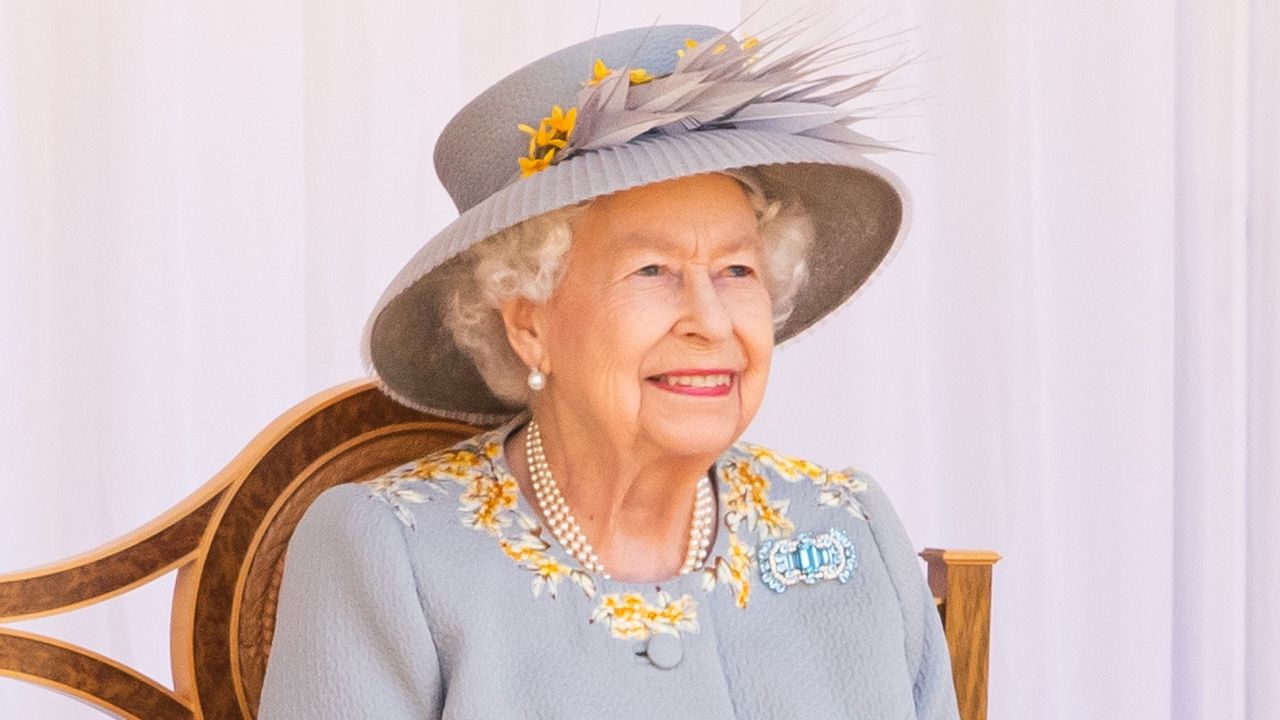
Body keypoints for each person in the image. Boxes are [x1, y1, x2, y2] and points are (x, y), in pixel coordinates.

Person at [258, 20, 959, 720]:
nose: (711, 322)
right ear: (527, 320)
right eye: (652, 270)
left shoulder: (849, 527)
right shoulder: (389, 555)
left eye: (737, 270)